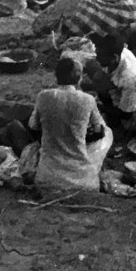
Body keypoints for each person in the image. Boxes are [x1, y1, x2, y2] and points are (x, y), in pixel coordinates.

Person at [28, 57, 111, 194]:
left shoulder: (43, 96)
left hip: (47, 179)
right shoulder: (87, 99)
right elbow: (99, 131)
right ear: (78, 78)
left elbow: (33, 127)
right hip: (83, 182)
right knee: (108, 132)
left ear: (56, 76)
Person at [91, 33, 136, 139]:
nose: (97, 59)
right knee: (98, 78)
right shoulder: (119, 52)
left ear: (114, 58)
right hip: (124, 96)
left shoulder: (129, 78)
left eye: (100, 56)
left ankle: (119, 130)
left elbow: (126, 114)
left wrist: (103, 108)